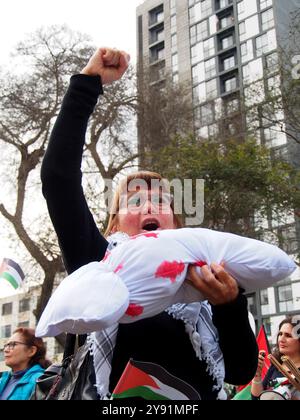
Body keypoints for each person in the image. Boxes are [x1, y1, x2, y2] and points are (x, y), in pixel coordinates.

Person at [40, 47, 258, 400]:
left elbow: (240, 371)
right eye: (135, 201)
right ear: (114, 225)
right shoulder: (99, 264)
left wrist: (230, 305)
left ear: (176, 223)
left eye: (161, 201)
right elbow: (58, 178)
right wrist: (87, 84)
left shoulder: (210, 279)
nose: (149, 207)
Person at [251, 317, 300, 400]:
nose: (281, 339)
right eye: (280, 334)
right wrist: (257, 374)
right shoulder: (276, 365)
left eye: (288, 335)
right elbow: (257, 398)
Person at [0, 327, 50, 400]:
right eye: (6, 345)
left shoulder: (41, 382)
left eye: (13, 344)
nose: (6, 350)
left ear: (31, 351)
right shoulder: (2, 380)